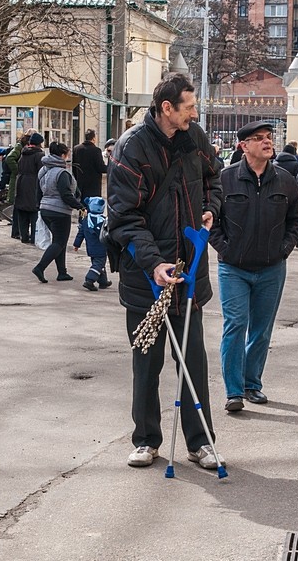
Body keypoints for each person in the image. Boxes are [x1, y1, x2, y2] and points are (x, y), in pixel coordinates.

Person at [106, 73, 224, 470]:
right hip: (147, 275)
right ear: (166, 108)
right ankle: (145, 439)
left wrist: (212, 208)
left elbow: (214, 179)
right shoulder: (131, 148)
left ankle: (201, 441)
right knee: (147, 361)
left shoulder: (196, 139)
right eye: (189, 106)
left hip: (190, 271)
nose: (195, 112)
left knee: (194, 360)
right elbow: (124, 217)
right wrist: (154, 263)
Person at [209, 121, 298, 413]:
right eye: (258, 138)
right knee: (235, 325)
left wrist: (284, 248)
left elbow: (297, 219)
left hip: (271, 268)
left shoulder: (285, 180)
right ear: (243, 146)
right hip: (234, 268)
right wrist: (226, 249)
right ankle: (234, 391)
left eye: (269, 138)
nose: (266, 142)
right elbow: (210, 220)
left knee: (261, 330)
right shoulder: (225, 180)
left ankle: (253, 385)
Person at [32, 142, 85, 283]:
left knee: (58, 241)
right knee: (59, 242)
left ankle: (62, 272)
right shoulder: (61, 173)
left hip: (45, 209)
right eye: (67, 153)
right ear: (62, 155)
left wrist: (39, 206)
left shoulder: (44, 170)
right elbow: (66, 195)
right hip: (59, 212)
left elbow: (38, 191)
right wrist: (80, 206)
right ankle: (40, 267)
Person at [73, 196, 112, 291]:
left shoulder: (86, 220)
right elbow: (108, 234)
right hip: (101, 247)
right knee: (98, 264)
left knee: (98, 264)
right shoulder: (103, 221)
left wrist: (76, 244)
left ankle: (103, 282)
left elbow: (80, 233)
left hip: (90, 247)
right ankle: (89, 280)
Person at [14, 132, 45, 244]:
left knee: (22, 211)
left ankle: (24, 236)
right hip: (33, 184)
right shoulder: (39, 155)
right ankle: (34, 236)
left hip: (21, 182)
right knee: (33, 211)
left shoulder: (23, 153)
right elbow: (42, 172)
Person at [5, 133, 30, 239]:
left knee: (18, 207)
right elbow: (9, 159)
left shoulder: (20, 147)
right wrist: (18, 170)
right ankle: (16, 231)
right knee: (17, 208)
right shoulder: (19, 147)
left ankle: (18, 231)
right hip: (17, 181)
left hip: (19, 180)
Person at [72, 128, 107, 199]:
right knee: (93, 207)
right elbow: (100, 167)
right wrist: (110, 167)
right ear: (94, 138)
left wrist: (77, 178)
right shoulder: (96, 150)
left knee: (82, 207)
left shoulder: (76, 149)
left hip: (80, 185)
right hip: (93, 186)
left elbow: (74, 167)